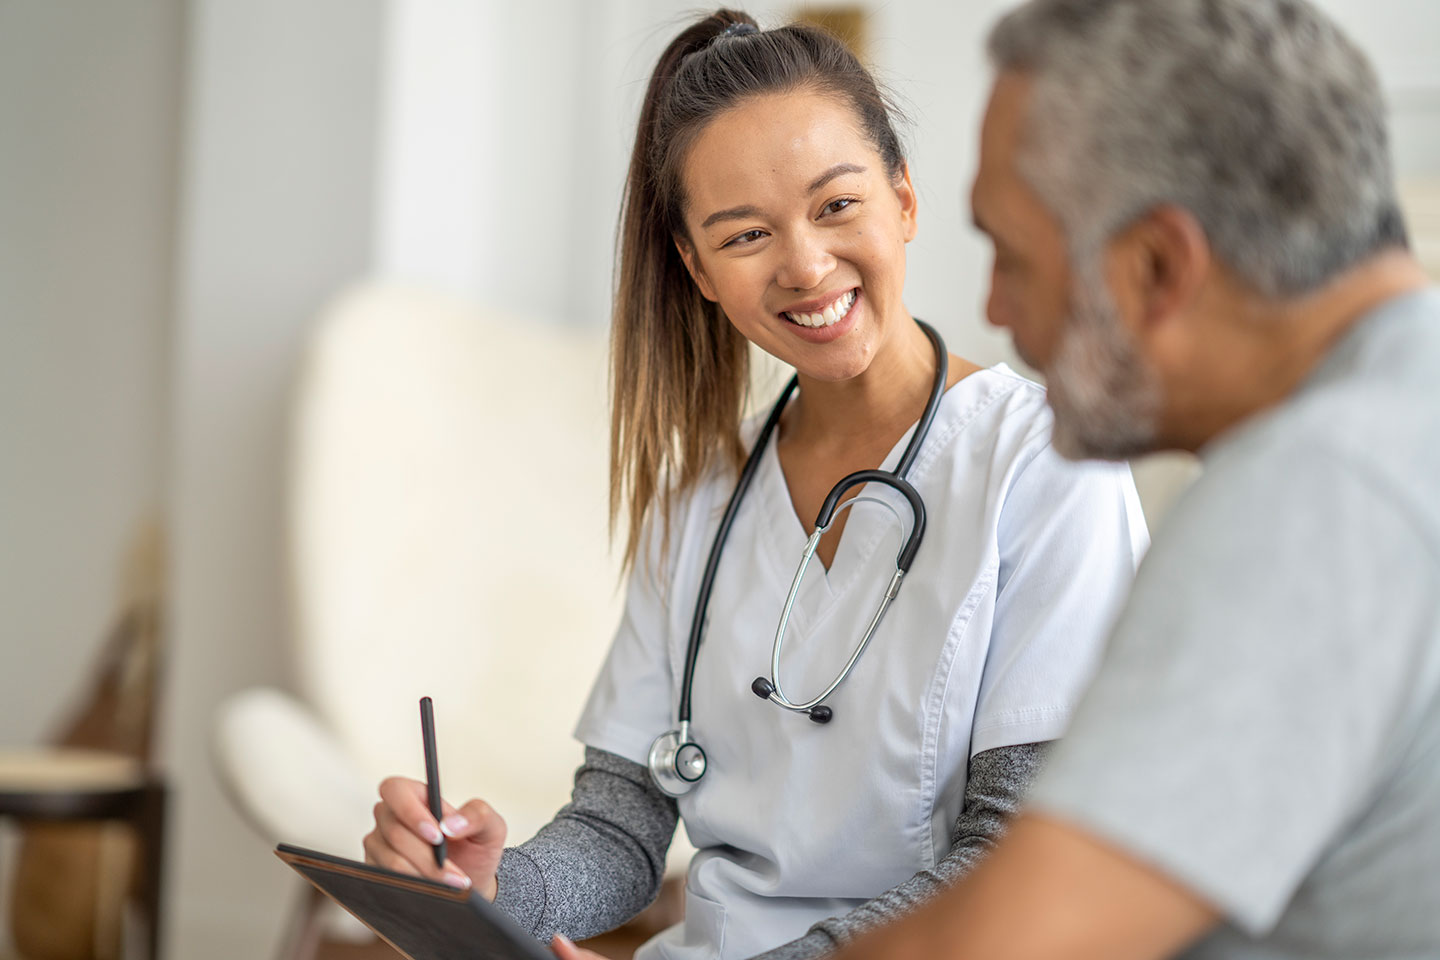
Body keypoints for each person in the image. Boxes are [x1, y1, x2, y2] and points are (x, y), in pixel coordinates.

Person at [363, 10, 1147, 960]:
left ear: (903, 198)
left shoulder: (1047, 464)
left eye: (837, 205)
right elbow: (620, 827)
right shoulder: (697, 496)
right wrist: (494, 887)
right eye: (744, 236)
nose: (806, 265)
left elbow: (1021, 855)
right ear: (696, 269)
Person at [832, 1, 1440, 959]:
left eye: (1012, 256)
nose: (992, 308)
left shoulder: (1315, 494)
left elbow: (999, 949)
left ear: (1157, 267)